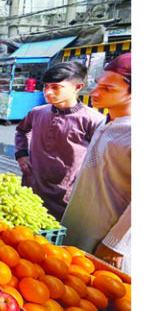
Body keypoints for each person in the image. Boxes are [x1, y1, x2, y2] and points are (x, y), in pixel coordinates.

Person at [62, 53, 131, 272]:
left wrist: (114, 244)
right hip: (77, 223)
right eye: (98, 85)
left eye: (108, 89)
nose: (94, 93)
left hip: (106, 240)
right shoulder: (105, 122)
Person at [14, 61, 106, 220]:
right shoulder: (37, 113)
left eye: (56, 87)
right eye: (45, 86)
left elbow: (102, 160)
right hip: (32, 186)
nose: (48, 92)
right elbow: (21, 131)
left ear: (77, 88)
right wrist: (22, 155)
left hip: (65, 194)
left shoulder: (93, 120)